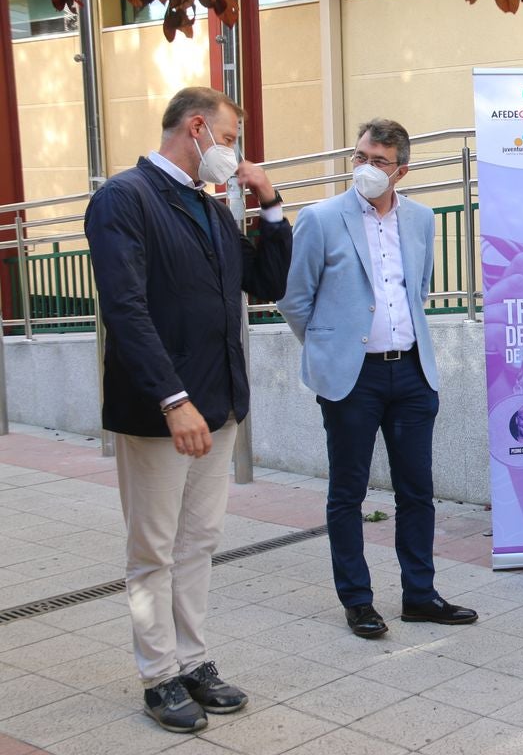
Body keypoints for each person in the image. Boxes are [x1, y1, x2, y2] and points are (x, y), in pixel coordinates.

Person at [84, 87, 291, 733]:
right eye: (230, 139)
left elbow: (265, 285)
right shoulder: (125, 199)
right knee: (153, 547)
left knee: (198, 542)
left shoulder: (209, 206)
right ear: (197, 128)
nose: (232, 152)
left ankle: (194, 660)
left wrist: (272, 207)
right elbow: (126, 309)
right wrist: (173, 400)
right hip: (162, 412)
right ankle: (159, 676)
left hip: (220, 404)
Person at [278, 118, 477, 640]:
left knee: (417, 492)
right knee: (348, 492)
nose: (366, 169)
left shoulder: (421, 219)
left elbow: (422, 288)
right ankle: (358, 600)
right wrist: (331, 348)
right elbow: (295, 299)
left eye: (379, 162)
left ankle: (420, 594)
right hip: (352, 380)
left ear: (402, 171)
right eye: (360, 158)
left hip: (411, 373)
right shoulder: (320, 219)